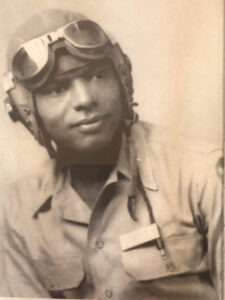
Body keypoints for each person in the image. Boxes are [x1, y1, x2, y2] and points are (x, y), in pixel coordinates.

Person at [2, 8, 223, 300]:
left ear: (122, 78)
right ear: (27, 112)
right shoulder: (18, 212)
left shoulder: (203, 172)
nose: (85, 99)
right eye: (57, 89)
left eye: (97, 75)